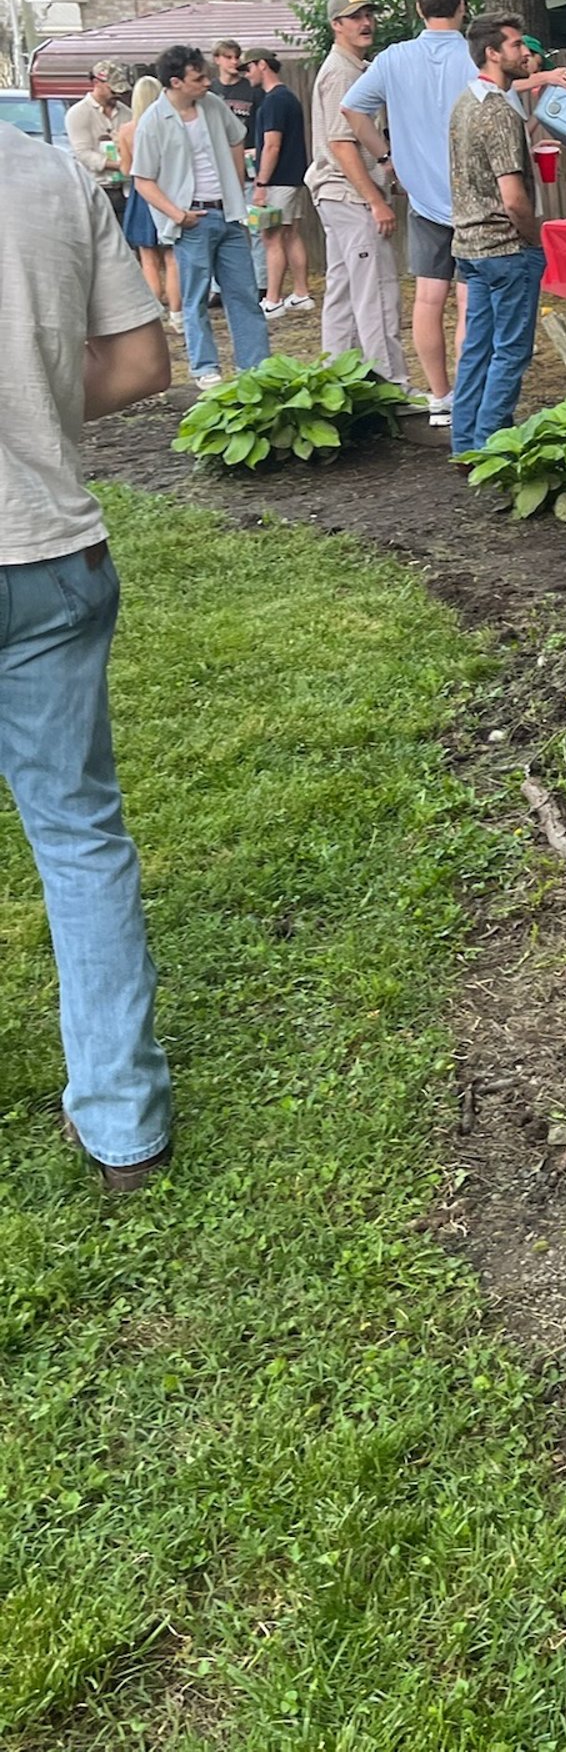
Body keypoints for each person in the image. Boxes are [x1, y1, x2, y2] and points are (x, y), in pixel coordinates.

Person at [0, 126, 175, 1189]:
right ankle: (124, 1127)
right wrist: (38, 415)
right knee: (78, 838)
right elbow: (144, 361)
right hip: (47, 544)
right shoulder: (52, 171)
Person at [341, 0, 474, 425]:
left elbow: (352, 110)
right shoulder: (477, 56)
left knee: (428, 299)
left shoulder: (393, 58)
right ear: (462, 6)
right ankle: (470, 396)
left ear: (418, 8)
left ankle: (440, 397)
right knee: (470, 302)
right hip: (475, 199)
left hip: (423, 199)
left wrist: (386, 157)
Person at [131, 44, 272, 391]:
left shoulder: (213, 105)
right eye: (198, 78)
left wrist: (236, 184)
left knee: (244, 293)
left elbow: (237, 139)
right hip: (191, 219)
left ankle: (255, 368)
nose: (207, 82)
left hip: (228, 212)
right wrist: (177, 214)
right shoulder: (153, 121)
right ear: (176, 82)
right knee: (195, 298)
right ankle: (205, 367)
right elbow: (143, 180)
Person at [447, 13, 545, 456]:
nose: (525, 53)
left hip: (468, 247)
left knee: (476, 352)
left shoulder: (464, 102)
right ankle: (492, 448)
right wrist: (535, 239)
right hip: (505, 250)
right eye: (516, 45)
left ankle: (465, 444)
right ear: (492, 53)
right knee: (510, 353)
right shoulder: (500, 112)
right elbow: (514, 198)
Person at [306, 0, 409, 385]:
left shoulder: (355, 68)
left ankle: (338, 381)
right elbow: (340, 143)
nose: (366, 23)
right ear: (336, 25)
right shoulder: (341, 73)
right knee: (377, 294)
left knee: (344, 293)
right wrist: (375, 201)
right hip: (350, 198)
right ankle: (393, 386)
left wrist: (388, 169)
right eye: (355, 17)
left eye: (368, 14)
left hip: (337, 196)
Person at [244, 49, 314, 315]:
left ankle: (272, 300)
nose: (245, 73)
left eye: (247, 67)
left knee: (271, 238)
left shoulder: (273, 102)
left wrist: (261, 184)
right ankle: (301, 293)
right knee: (291, 235)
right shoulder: (289, 98)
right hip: (293, 178)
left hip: (276, 181)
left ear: (262, 65)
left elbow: (272, 145)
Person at [115, 76, 180, 332]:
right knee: (173, 258)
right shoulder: (170, 125)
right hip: (169, 193)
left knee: (148, 261)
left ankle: (154, 316)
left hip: (142, 197)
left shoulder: (127, 130)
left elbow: (126, 168)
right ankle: (178, 314)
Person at [209, 39, 269, 292]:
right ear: (217, 60)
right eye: (228, 57)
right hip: (215, 171)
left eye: (237, 57)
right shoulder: (210, 92)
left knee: (254, 228)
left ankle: (260, 284)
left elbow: (263, 128)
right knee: (216, 228)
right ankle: (218, 288)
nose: (234, 62)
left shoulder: (252, 90)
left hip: (248, 167)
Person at [65, 61, 128, 187]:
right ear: (96, 83)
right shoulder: (78, 113)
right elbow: (83, 153)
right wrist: (118, 165)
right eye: (112, 89)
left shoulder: (127, 113)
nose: (117, 94)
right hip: (96, 187)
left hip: (125, 187)